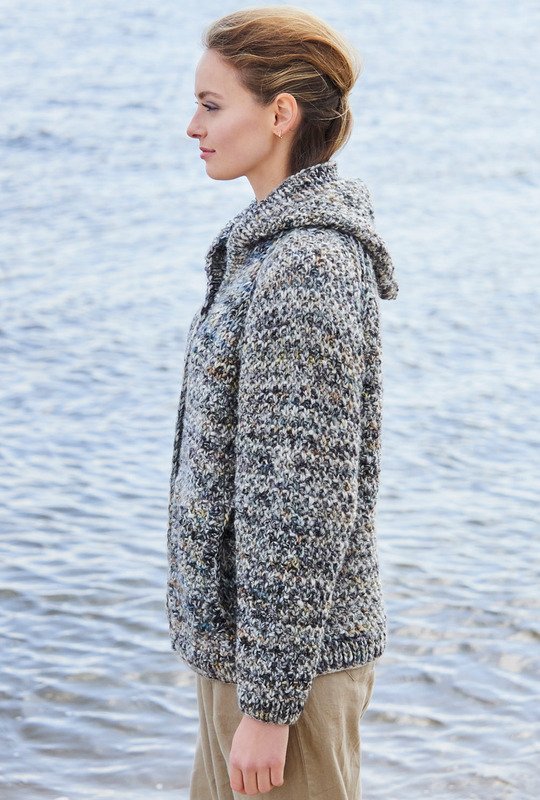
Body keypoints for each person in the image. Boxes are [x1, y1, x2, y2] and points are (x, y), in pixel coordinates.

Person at [166, 6, 399, 799]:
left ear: (280, 113)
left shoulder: (306, 267)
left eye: (211, 104)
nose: (193, 126)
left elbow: (304, 500)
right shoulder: (270, 250)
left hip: (285, 679)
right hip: (250, 659)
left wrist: (267, 706)